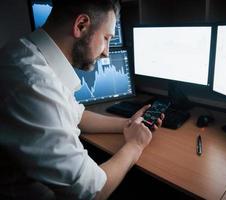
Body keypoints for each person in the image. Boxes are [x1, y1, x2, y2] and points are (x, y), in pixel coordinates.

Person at [0, 0, 164, 199]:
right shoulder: (34, 83)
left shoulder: (26, 53)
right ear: (81, 25)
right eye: (106, 38)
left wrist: (129, 124)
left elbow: (76, 115)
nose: (106, 52)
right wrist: (135, 145)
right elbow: (92, 192)